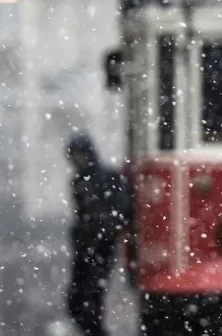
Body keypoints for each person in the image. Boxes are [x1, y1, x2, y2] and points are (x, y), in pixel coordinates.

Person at [65, 132, 130, 336]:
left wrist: (103, 228)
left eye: (80, 154)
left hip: (101, 246)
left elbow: (121, 210)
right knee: (77, 302)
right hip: (85, 247)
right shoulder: (78, 180)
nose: (78, 160)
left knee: (91, 301)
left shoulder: (106, 177)